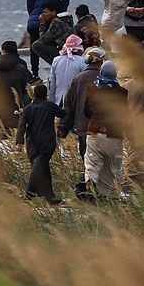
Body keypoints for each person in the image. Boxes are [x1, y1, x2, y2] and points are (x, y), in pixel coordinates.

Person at [58, 47, 106, 199]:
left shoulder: (77, 79)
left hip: (83, 127)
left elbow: (68, 106)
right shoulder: (106, 79)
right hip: (103, 128)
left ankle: (87, 190)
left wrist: (63, 128)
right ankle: (90, 191)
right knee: (103, 160)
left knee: (87, 159)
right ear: (101, 62)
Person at [83, 61, 129, 198]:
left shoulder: (92, 88)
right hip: (113, 134)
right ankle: (111, 195)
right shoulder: (122, 92)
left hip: (93, 132)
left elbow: (86, 111)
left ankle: (90, 184)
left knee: (92, 163)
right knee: (114, 167)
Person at [16, 83, 65, 202]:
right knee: (40, 167)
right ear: (46, 94)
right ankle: (30, 194)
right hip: (47, 141)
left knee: (40, 166)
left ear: (33, 95)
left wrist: (19, 141)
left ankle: (49, 197)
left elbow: (22, 125)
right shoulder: (50, 106)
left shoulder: (28, 109)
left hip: (32, 142)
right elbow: (62, 114)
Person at [26, 0, 72, 77]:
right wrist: (59, 13)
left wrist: (32, 13)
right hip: (54, 16)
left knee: (34, 47)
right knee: (54, 47)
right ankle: (56, 73)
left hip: (36, 16)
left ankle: (35, 74)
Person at [0, 40, 34, 130]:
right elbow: (27, 84)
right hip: (17, 104)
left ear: (3, 51)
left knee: (1, 131)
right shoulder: (21, 64)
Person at [30, 1, 75, 67]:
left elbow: (44, 39)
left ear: (53, 12)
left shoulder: (56, 22)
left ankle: (56, 65)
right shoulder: (66, 19)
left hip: (63, 51)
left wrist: (42, 23)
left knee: (36, 45)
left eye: (45, 12)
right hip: (70, 50)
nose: (43, 14)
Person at [48, 34, 86, 107]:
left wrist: (52, 101)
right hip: (74, 100)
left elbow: (51, 83)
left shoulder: (56, 60)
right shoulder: (82, 61)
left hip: (59, 100)